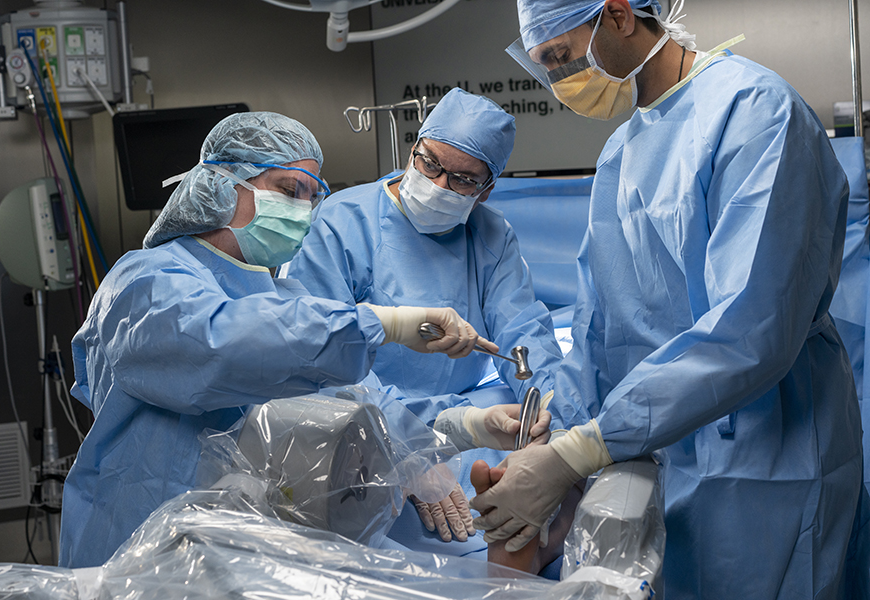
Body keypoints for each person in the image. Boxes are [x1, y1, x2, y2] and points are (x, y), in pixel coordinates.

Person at [471, 1, 868, 597]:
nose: (558, 83)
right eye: (544, 67)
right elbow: (600, 330)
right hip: (654, 452)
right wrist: (559, 450)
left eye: (560, 56)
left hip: (767, 453)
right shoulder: (620, 152)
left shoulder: (754, 112)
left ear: (620, 15)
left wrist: (587, 448)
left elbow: (754, 326)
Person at [59, 112, 499, 568]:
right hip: (140, 545)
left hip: (235, 545)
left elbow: (355, 396)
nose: (302, 211)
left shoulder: (280, 295)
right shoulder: (147, 282)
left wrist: (462, 426)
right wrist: (382, 324)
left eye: (313, 197)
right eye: (290, 191)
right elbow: (223, 348)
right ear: (222, 184)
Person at [288, 88, 564, 553]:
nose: (438, 185)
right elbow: (321, 361)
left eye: (462, 180)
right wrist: (406, 449)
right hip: (366, 420)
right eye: (429, 163)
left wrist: (550, 413)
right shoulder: (340, 224)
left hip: (472, 415)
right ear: (413, 148)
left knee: (522, 521)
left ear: (487, 189)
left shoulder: (490, 236)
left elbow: (523, 335)